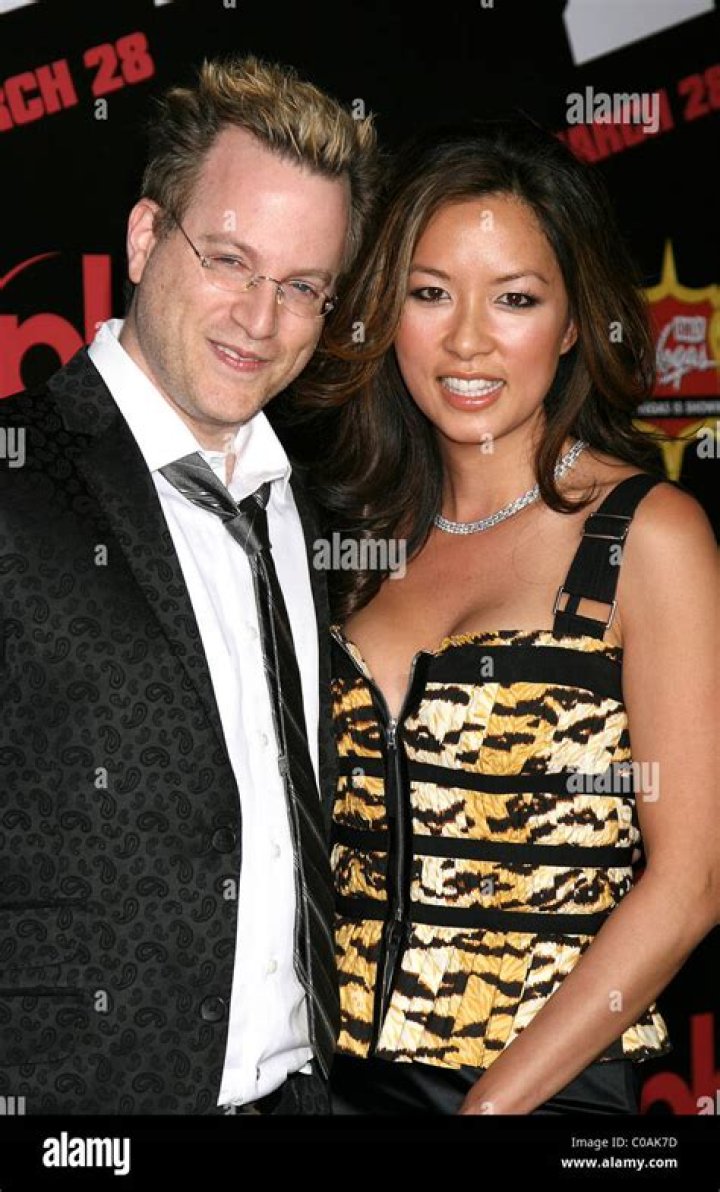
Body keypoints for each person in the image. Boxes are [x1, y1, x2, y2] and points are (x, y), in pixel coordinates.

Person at [296, 116, 719, 1115]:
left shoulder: (645, 537)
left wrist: (489, 1111)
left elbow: (692, 883)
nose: (468, 340)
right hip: (327, 1088)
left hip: (542, 1093)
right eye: (429, 293)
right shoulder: (350, 539)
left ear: (573, 324)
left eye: (516, 299)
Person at [0, 54, 377, 1114]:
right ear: (144, 237)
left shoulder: (314, 510)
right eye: (229, 260)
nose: (260, 318)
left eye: (301, 287)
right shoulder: (18, 475)